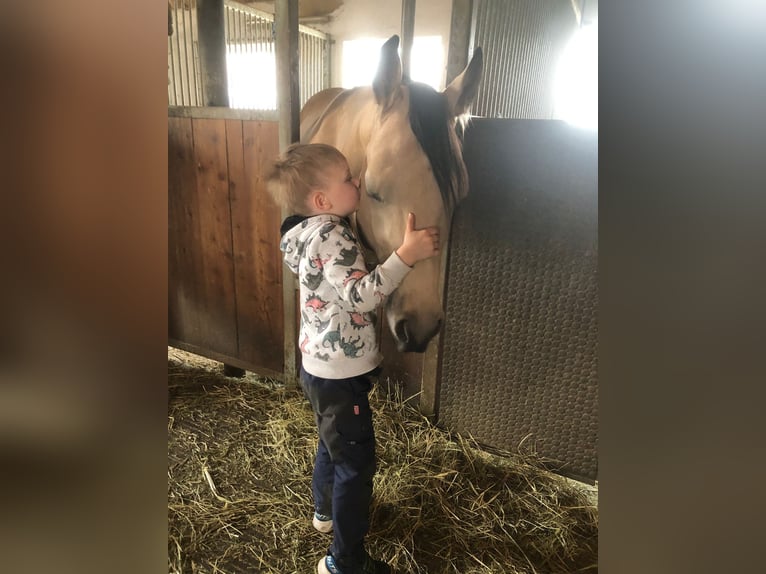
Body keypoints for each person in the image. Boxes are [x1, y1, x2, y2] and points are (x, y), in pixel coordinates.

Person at [267, 143, 440, 574]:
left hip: (319, 368)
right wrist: (406, 256)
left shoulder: (304, 233)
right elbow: (362, 297)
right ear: (322, 201)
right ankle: (344, 562)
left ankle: (325, 513)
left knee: (333, 444)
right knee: (356, 464)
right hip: (341, 374)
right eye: (348, 178)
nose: (357, 182)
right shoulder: (334, 234)